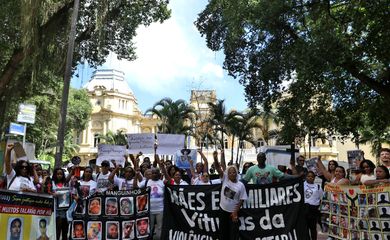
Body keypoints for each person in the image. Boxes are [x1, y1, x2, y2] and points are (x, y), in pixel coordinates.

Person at [214, 151, 247, 240]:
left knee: (233, 234)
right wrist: (215, 158)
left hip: (233, 213)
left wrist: (235, 212)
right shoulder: (225, 179)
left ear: (236, 173)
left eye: (234, 172)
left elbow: (241, 199)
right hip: (223, 211)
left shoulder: (241, 185)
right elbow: (218, 167)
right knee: (223, 232)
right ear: (227, 174)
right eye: (230, 172)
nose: (232, 174)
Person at [51, 167, 71, 240]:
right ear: (55, 174)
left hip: (65, 209)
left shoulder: (66, 184)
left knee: (65, 230)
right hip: (56, 210)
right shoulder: (52, 182)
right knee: (57, 230)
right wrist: (52, 194)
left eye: (61, 174)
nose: (59, 175)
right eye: (58, 174)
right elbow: (48, 192)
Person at [304, 171, 322, 240]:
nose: (310, 178)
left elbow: (321, 197)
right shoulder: (302, 185)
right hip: (304, 208)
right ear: (306, 177)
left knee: (313, 228)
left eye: (312, 176)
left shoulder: (317, 187)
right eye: (308, 176)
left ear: (314, 178)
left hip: (313, 209)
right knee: (304, 227)